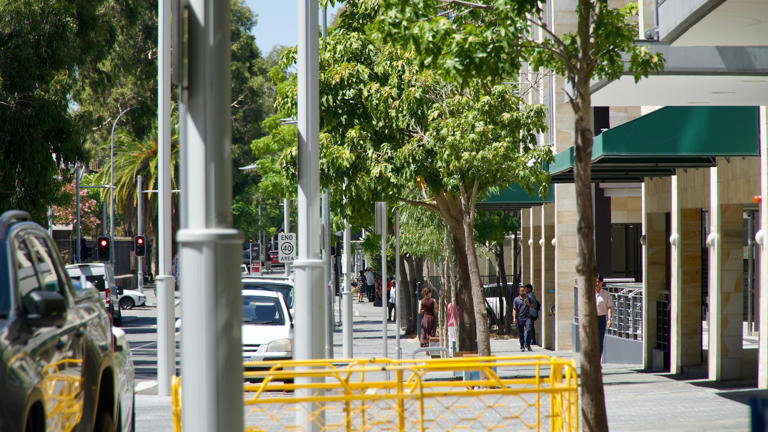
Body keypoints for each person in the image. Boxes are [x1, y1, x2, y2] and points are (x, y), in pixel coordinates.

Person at [595, 273, 614, 357]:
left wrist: (609, 319)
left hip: (601, 319)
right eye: (595, 282)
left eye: (599, 282)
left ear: (602, 283)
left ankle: (598, 360)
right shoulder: (589, 293)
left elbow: (609, 307)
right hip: (591, 319)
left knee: (599, 342)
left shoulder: (606, 294)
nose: (597, 284)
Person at [512, 285, 534, 352]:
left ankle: (528, 344)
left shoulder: (528, 298)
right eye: (521, 291)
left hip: (527, 317)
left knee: (529, 330)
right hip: (520, 318)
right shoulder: (516, 300)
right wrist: (514, 318)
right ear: (519, 292)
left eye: (523, 291)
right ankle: (522, 346)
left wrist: (528, 304)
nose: (523, 292)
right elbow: (514, 309)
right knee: (521, 333)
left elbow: (532, 307)